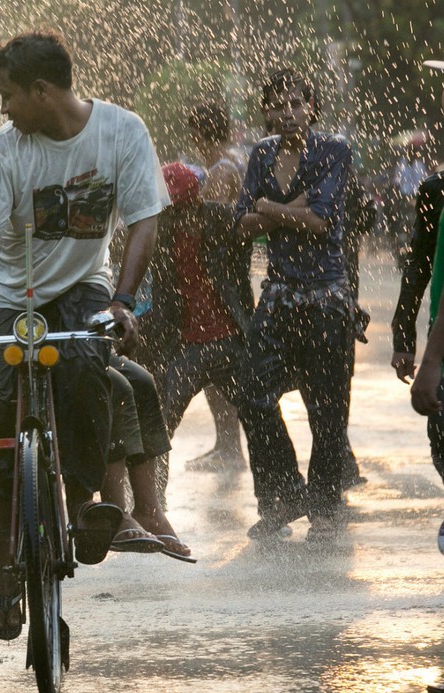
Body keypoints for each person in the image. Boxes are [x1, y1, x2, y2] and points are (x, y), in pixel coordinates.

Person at [0, 31, 192, 639]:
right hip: (10, 294)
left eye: (7, 95)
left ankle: (83, 506)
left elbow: (143, 223)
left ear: (42, 90)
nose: (1, 108)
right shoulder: (7, 147)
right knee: (0, 413)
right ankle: (5, 564)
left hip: (84, 287)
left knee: (86, 371)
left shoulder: (121, 131)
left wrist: (123, 301)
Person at [234, 69, 353, 544]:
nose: (287, 113)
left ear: (312, 108)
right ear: (265, 110)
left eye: (295, 105)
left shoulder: (334, 150)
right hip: (280, 293)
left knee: (327, 406)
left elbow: (322, 222)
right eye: (277, 105)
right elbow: (240, 225)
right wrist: (289, 209)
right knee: (253, 393)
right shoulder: (260, 153)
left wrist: (267, 208)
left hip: (326, 295)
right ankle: (285, 496)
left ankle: (324, 505)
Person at [145, 162, 254, 449]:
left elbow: (263, 236)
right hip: (186, 347)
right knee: (161, 423)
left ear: (196, 202)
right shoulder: (160, 237)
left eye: (182, 211)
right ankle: (152, 494)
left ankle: (283, 487)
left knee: (261, 414)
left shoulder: (224, 221)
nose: (178, 219)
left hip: (231, 339)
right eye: (170, 213)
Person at [183, 101, 248, 473]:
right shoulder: (232, 160)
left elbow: (211, 223)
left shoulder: (222, 169)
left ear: (198, 134)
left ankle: (229, 446)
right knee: (219, 360)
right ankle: (226, 443)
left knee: (217, 359)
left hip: (218, 279)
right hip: (226, 275)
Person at [392, 158, 444, 478]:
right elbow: (417, 268)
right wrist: (404, 339)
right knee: (439, 442)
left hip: (439, 352)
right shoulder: (436, 189)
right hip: (441, 343)